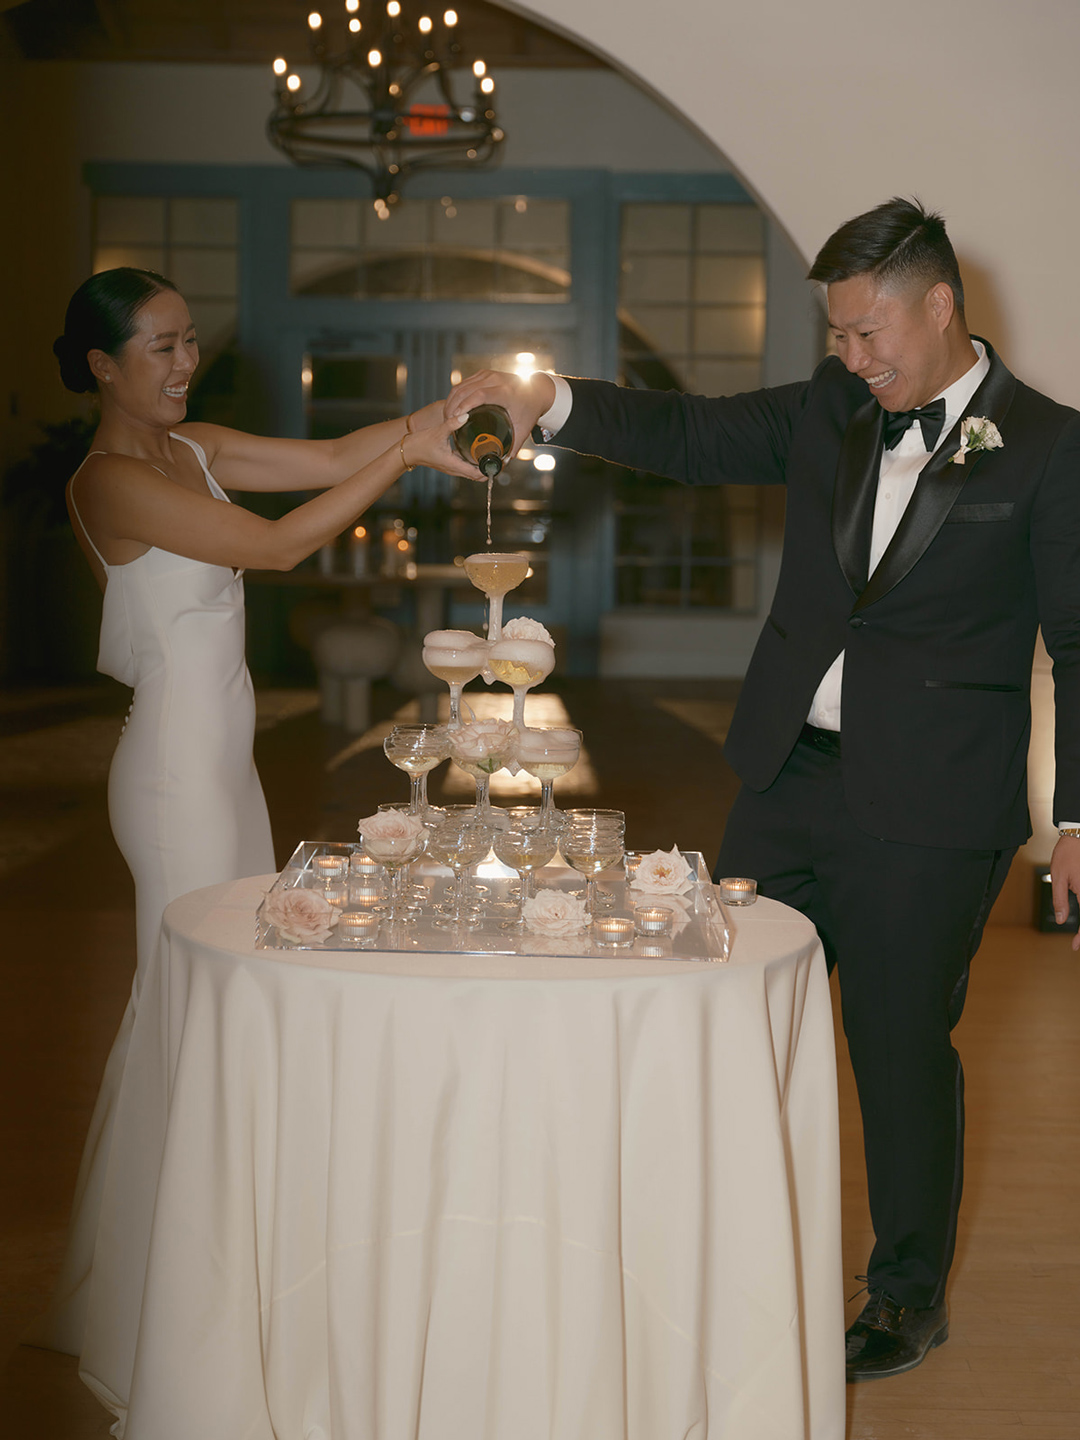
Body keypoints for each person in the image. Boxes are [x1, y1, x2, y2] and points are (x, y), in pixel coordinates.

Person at [446, 198, 1080, 1382]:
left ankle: (905, 1297)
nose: (852, 356)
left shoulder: (1049, 444)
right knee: (725, 1014)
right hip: (788, 776)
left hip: (934, 808)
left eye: (868, 332)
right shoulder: (834, 408)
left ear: (940, 305)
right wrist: (553, 402)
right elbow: (691, 434)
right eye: (838, 334)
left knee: (896, 1047)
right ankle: (717, 1254)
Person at [36, 266, 473, 1354]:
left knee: (238, 993)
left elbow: (326, 458)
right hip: (172, 778)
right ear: (102, 366)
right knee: (189, 1009)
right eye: (163, 347)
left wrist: (434, 418)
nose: (187, 362)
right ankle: (158, 1302)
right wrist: (406, 460)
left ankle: (226, 1257)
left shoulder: (190, 449)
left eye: (190, 340)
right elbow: (277, 546)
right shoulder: (107, 482)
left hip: (226, 770)